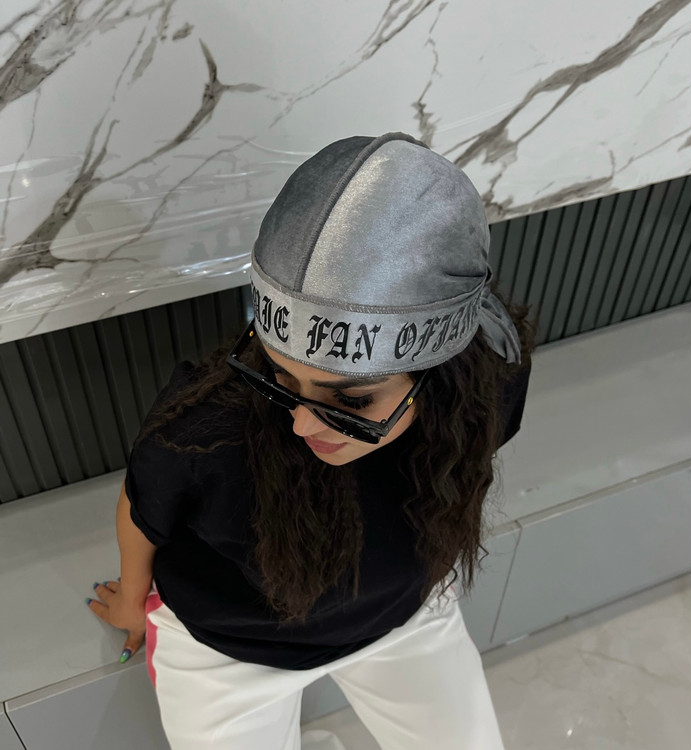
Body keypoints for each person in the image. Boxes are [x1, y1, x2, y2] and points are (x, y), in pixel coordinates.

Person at [87, 132, 535, 750]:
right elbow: (144, 507)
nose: (301, 424)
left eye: (351, 400)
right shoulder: (205, 431)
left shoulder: (486, 384)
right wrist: (132, 600)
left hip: (404, 617)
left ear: (445, 376)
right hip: (230, 650)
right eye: (279, 377)